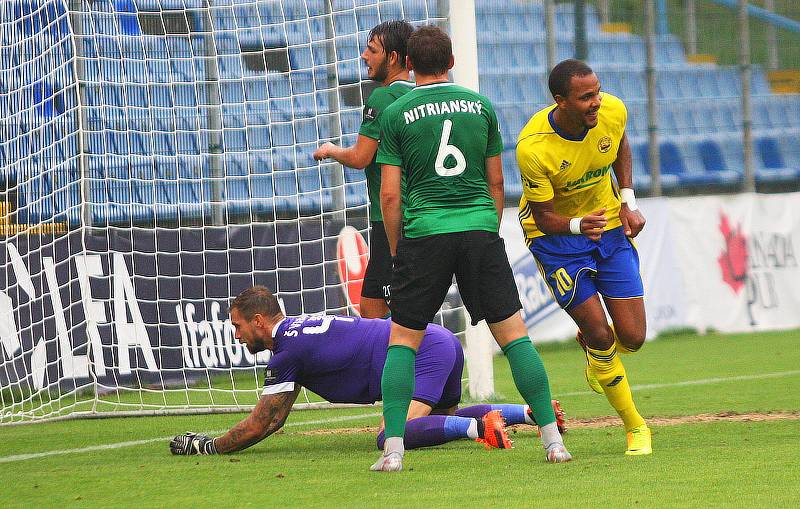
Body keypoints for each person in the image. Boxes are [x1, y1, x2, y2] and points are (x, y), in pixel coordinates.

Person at [371, 26, 571, 472]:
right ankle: (554, 442)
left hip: (424, 234)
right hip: (478, 228)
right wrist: (487, 226)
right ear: (452, 61)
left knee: (403, 342)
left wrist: (398, 248)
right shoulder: (480, 107)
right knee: (514, 334)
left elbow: (389, 196)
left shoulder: (396, 112)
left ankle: (394, 452)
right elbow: (497, 181)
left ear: (406, 63)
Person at [169, 286, 565, 456]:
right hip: (438, 341)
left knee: (388, 436)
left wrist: (210, 445)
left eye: (237, 326)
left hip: (421, 351)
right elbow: (274, 418)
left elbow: (264, 422)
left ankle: (480, 430)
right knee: (438, 420)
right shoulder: (298, 331)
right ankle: (525, 414)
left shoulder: (287, 350)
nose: (236, 336)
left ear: (258, 321)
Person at [515, 58, 651, 456]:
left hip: (607, 225)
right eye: (585, 97)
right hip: (555, 238)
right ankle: (635, 426)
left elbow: (620, 142)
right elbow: (544, 216)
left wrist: (626, 200)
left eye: (597, 92)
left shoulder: (612, 110)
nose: (596, 102)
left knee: (634, 337)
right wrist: (578, 226)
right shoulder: (534, 147)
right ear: (561, 101)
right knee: (600, 333)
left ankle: (597, 355)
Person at [313, 20, 415, 319]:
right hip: (421, 213)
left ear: (393, 58)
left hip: (392, 217)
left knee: (378, 311)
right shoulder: (418, 95)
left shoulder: (382, 97)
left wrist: (331, 149)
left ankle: (406, 365)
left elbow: (360, 157)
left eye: (371, 50)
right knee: (379, 306)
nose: (363, 56)